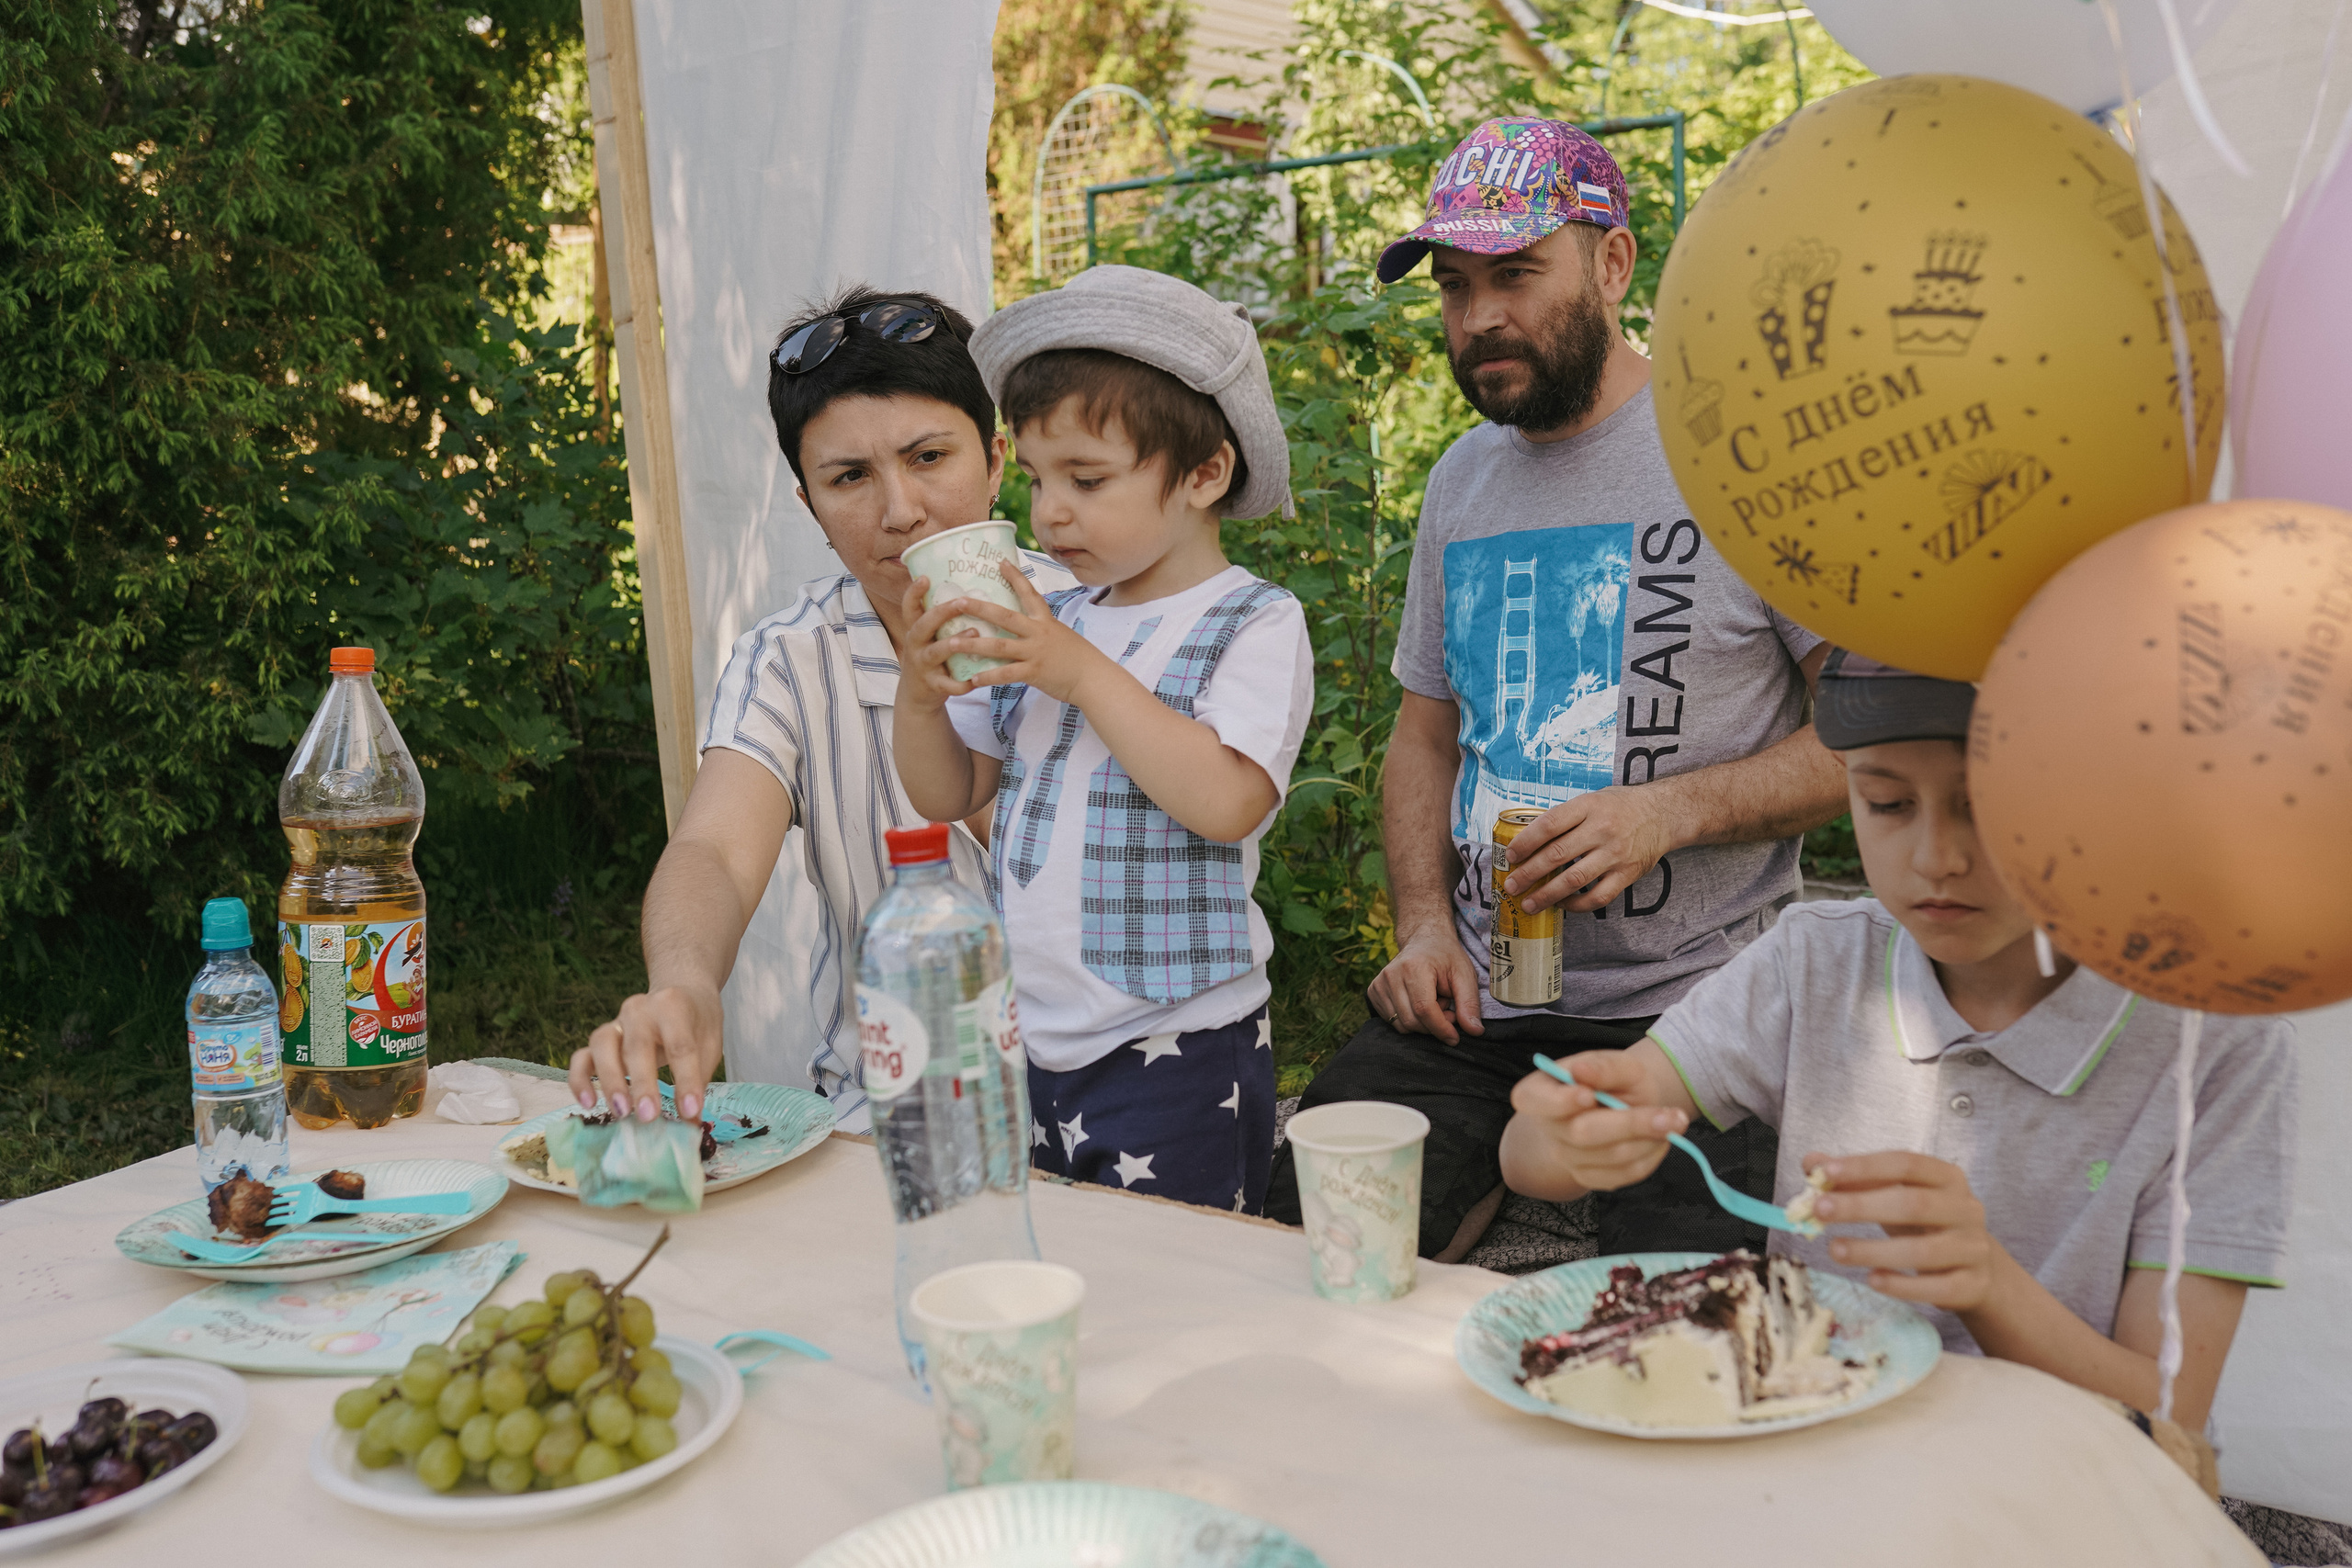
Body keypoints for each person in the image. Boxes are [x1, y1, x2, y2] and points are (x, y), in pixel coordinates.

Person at [1266, 118, 1849, 1260]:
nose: (1479, 315)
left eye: (1516, 274)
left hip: (1698, 1005)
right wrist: (1425, 927)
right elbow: (1423, 737)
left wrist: (1667, 810)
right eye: (1455, 285)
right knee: (1313, 1232)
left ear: (1614, 265)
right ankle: (1494, 1183)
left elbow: (1869, 735)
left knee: (1687, 1307)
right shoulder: (1461, 478)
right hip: (1481, 1003)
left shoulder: (1741, 451)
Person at [1498, 651, 2296, 1431]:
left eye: (1989, 806)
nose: (1935, 858)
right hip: (1820, 1459)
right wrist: (1576, 1134)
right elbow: (1531, 1156)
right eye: (1886, 803)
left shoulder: (2215, 1049)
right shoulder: (1816, 961)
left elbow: (2169, 1410)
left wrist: (1987, 1285)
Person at [568, 286, 1071, 1129]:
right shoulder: (791, 656)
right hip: (892, 1118)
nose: (899, 511)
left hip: (1112, 1109)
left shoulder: (1096, 614)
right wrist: (683, 984)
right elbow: (715, 852)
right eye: (849, 477)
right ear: (809, 504)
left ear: (994, 460)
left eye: (928, 458)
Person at [892, 265, 1314, 1213]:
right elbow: (947, 793)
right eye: (1038, 479)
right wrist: (921, 697)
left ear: (1205, 473)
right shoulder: (1052, 615)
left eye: (1087, 479)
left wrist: (1077, 672)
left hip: (1176, 1044)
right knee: (1062, 1258)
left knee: (1181, 1282)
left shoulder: (1249, 621)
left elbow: (1226, 801)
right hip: (1033, 1035)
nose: (1049, 514)